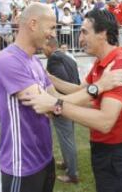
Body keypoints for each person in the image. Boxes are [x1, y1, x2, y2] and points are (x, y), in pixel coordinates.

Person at [0, 3, 122, 192]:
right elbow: (44, 106)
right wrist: (99, 87)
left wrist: (61, 98)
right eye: (51, 27)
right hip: (21, 165)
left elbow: (54, 101)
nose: (53, 34)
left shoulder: (35, 61)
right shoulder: (8, 61)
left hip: (44, 159)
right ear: (33, 24)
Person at [21, 8, 122, 192]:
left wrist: (56, 105)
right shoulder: (101, 64)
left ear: (103, 34)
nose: (80, 39)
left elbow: (105, 122)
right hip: (103, 149)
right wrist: (49, 78)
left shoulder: (120, 66)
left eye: (84, 32)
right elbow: (81, 91)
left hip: (117, 153)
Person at [43, 37, 80, 184]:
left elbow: (61, 81)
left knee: (66, 139)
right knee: (67, 137)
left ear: (50, 46)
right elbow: (76, 82)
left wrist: (56, 103)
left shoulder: (53, 58)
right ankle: (67, 163)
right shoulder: (68, 57)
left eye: (44, 47)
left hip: (62, 104)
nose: (42, 49)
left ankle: (72, 174)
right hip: (72, 101)